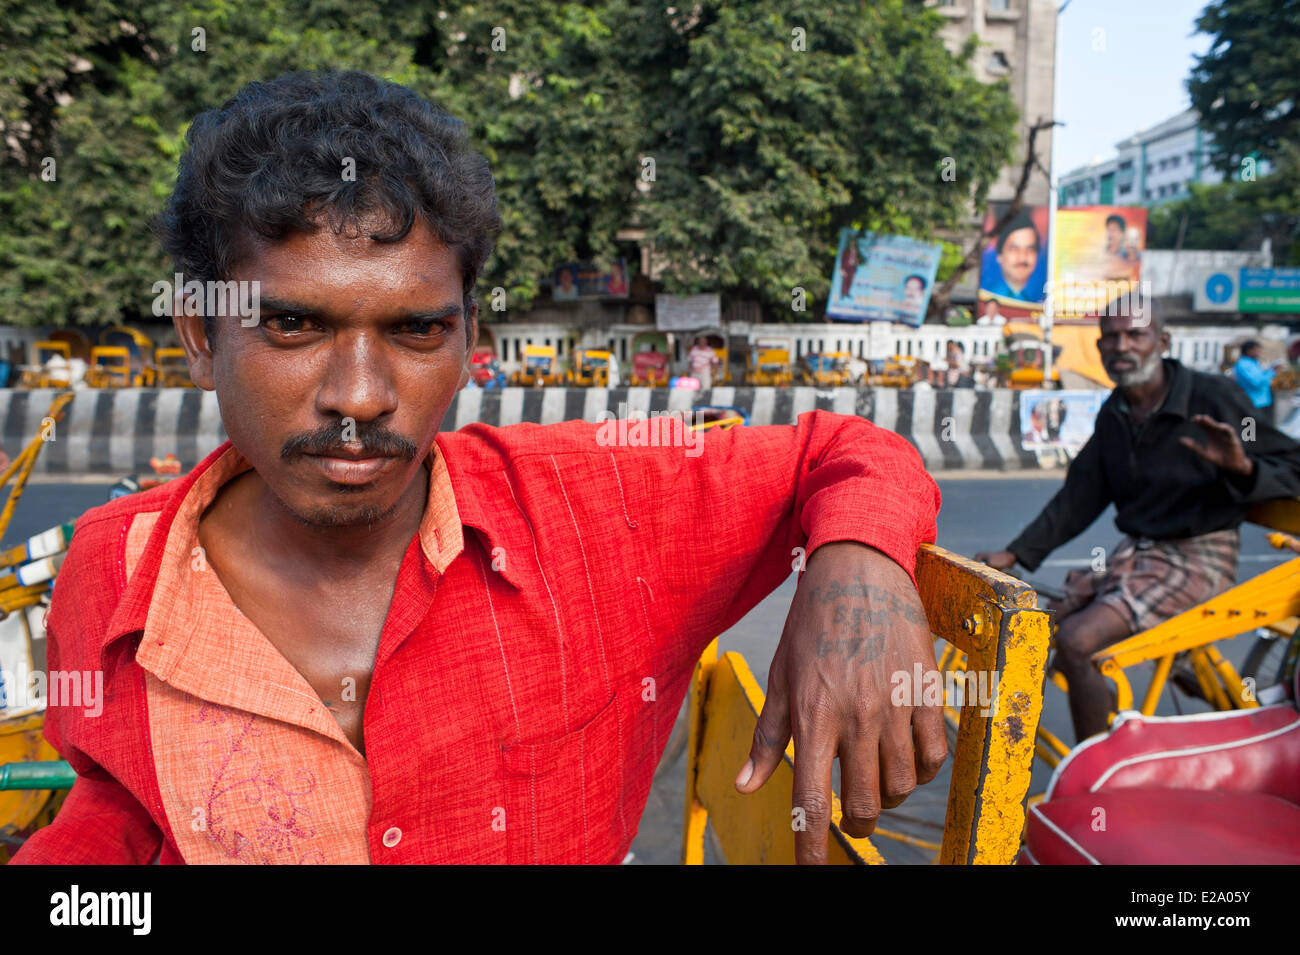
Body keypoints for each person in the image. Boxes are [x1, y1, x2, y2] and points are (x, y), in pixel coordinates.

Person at [13, 71, 945, 866]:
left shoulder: (606, 513)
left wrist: (860, 568)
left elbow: (848, 452)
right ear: (199, 337)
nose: (361, 395)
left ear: (468, 346)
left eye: (417, 330)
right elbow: (122, 811)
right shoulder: (112, 570)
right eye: (295, 324)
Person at [976, 301, 1300, 744]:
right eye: (1111, 337)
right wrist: (1016, 553)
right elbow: (1081, 493)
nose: (1121, 346)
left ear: (1161, 342)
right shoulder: (1117, 411)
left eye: (1135, 335)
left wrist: (1242, 466)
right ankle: (1121, 735)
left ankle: (1098, 778)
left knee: (1076, 641)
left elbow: (1287, 461)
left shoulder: (1213, 397)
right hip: (1138, 554)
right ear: (1099, 347)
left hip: (1199, 552)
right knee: (1047, 626)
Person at [984, 210, 1045, 302]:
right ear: (999, 255)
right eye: (1014, 249)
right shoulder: (989, 295)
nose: (1022, 257)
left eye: (1030, 249)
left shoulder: (1042, 297)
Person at [1233, 340, 1278, 426]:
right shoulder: (1243, 364)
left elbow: (1261, 376)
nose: (1259, 352)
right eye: (1257, 350)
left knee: (1263, 433)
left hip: (1263, 402)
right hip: (1252, 403)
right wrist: (1272, 372)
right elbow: (1256, 382)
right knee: (1250, 434)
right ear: (1249, 351)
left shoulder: (1254, 363)